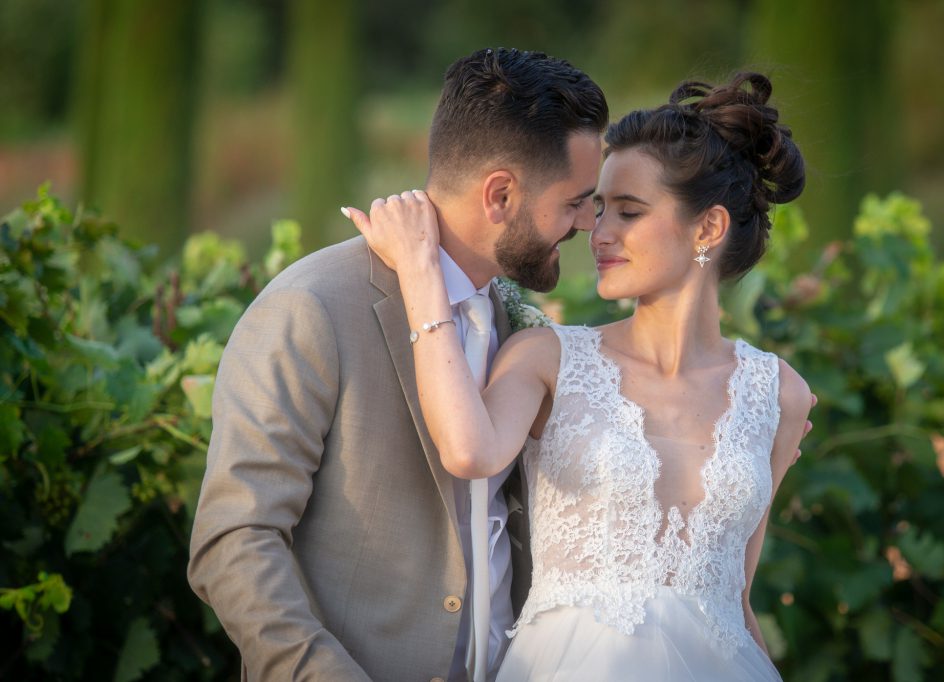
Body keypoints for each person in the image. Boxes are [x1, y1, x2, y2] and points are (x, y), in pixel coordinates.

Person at [346, 71, 812, 681]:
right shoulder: (548, 359)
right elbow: (468, 450)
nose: (599, 231)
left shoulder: (780, 394)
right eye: (597, 209)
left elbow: (737, 598)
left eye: (629, 211)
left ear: (708, 228)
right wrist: (419, 270)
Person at [187, 47, 609, 682]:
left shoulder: (515, 323)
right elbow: (235, 540)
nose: (587, 223)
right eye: (576, 201)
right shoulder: (311, 309)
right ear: (500, 194)